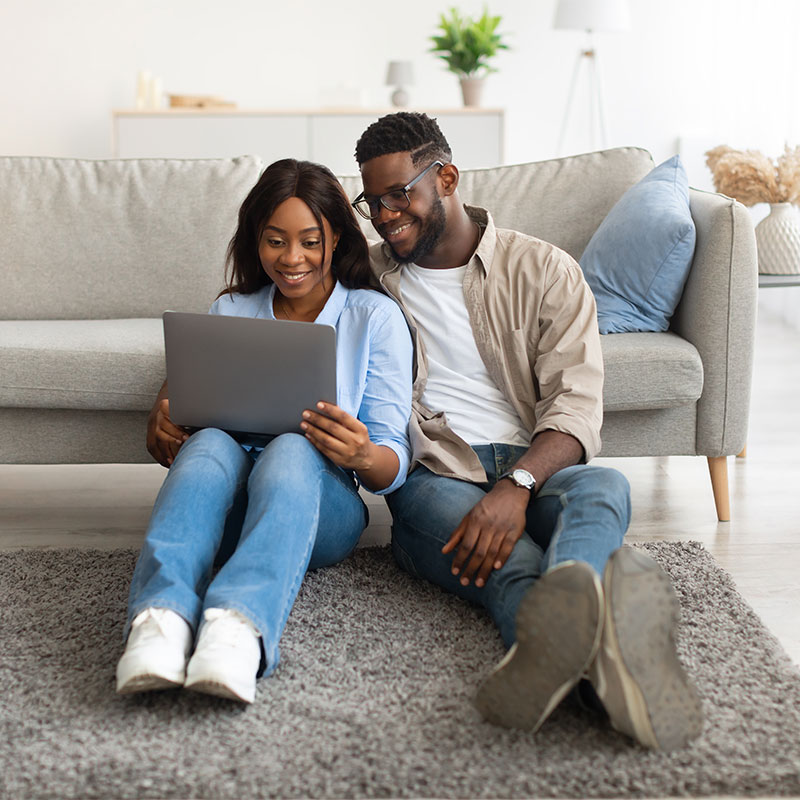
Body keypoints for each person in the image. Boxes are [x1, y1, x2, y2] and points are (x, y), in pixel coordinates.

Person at [351, 112, 702, 750]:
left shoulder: (543, 270)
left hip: (537, 461)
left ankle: (574, 627)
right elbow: (277, 295)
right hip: (439, 474)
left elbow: (575, 407)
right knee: (515, 563)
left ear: (447, 178)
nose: (384, 214)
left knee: (602, 488)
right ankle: (611, 665)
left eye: (399, 193)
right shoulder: (366, 278)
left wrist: (517, 484)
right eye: (371, 201)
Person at [116, 159, 413, 704]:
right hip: (225, 509)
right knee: (208, 441)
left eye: (309, 241)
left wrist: (362, 452)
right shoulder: (230, 309)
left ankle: (236, 628)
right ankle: (159, 622)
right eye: (276, 241)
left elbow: (392, 465)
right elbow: (178, 416)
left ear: (337, 237)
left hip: (319, 509)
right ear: (256, 240)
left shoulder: (373, 317)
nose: (292, 259)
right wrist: (164, 422)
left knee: (292, 447)